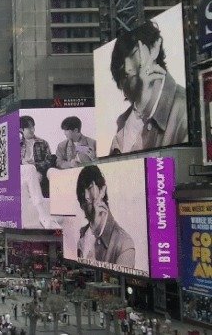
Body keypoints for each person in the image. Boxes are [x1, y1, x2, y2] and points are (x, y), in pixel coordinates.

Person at [109, 20, 187, 155]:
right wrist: (139, 107)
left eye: (132, 54)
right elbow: (117, 161)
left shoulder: (184, 109)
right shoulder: (125, 120)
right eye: (121, 71)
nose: (127, 68)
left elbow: (168, 172)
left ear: (153, 48)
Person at [75, 165, 136, 266]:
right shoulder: (83, 235)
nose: (86, 196)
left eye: (90, 187)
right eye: (82, 193)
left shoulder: (124, 244)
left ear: (102, 190)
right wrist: (92, 231)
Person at [19, 116, 56, 228]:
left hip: (36, 172)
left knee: (27, 178)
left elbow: (49, 160)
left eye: (33, 127)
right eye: (28, 128)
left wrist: (35, 166)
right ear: (21, 130)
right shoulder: (16, 144)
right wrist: (24, 163)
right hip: (20, 172)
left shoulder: (42, 143)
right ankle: (43, 215)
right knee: (29, 170)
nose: (32, 130)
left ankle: (24, 221)